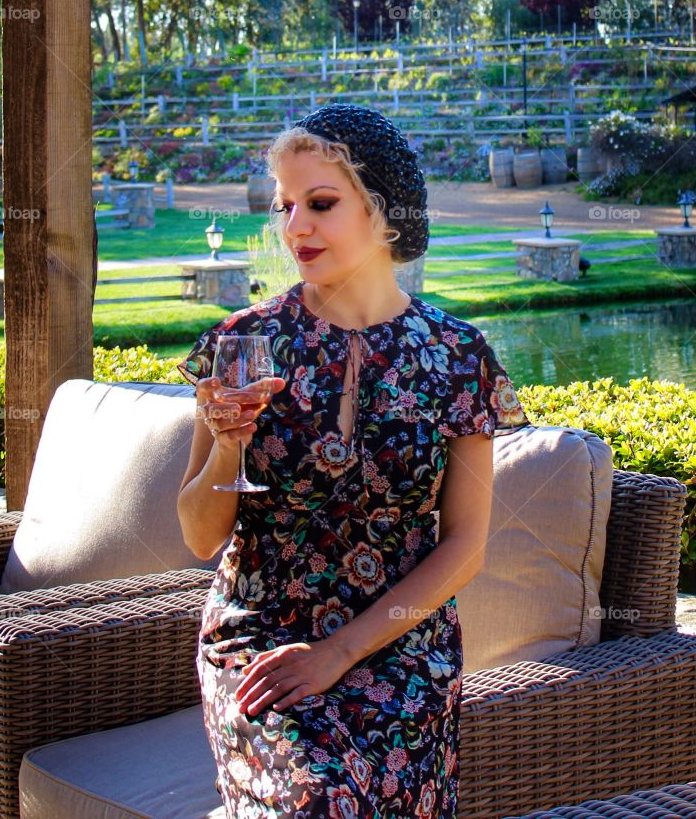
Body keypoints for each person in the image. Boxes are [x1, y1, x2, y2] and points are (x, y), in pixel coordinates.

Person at [176, 103, 528, 819]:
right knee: (320, 798)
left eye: (321, 203)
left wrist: (339, 652)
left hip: (400, 645)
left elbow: (465, 545)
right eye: (285, 205)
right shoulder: (241, 343)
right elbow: (199, 535)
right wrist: (226, 443)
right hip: (262, 638)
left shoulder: (459, 357)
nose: (294, 225)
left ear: (384, 211)